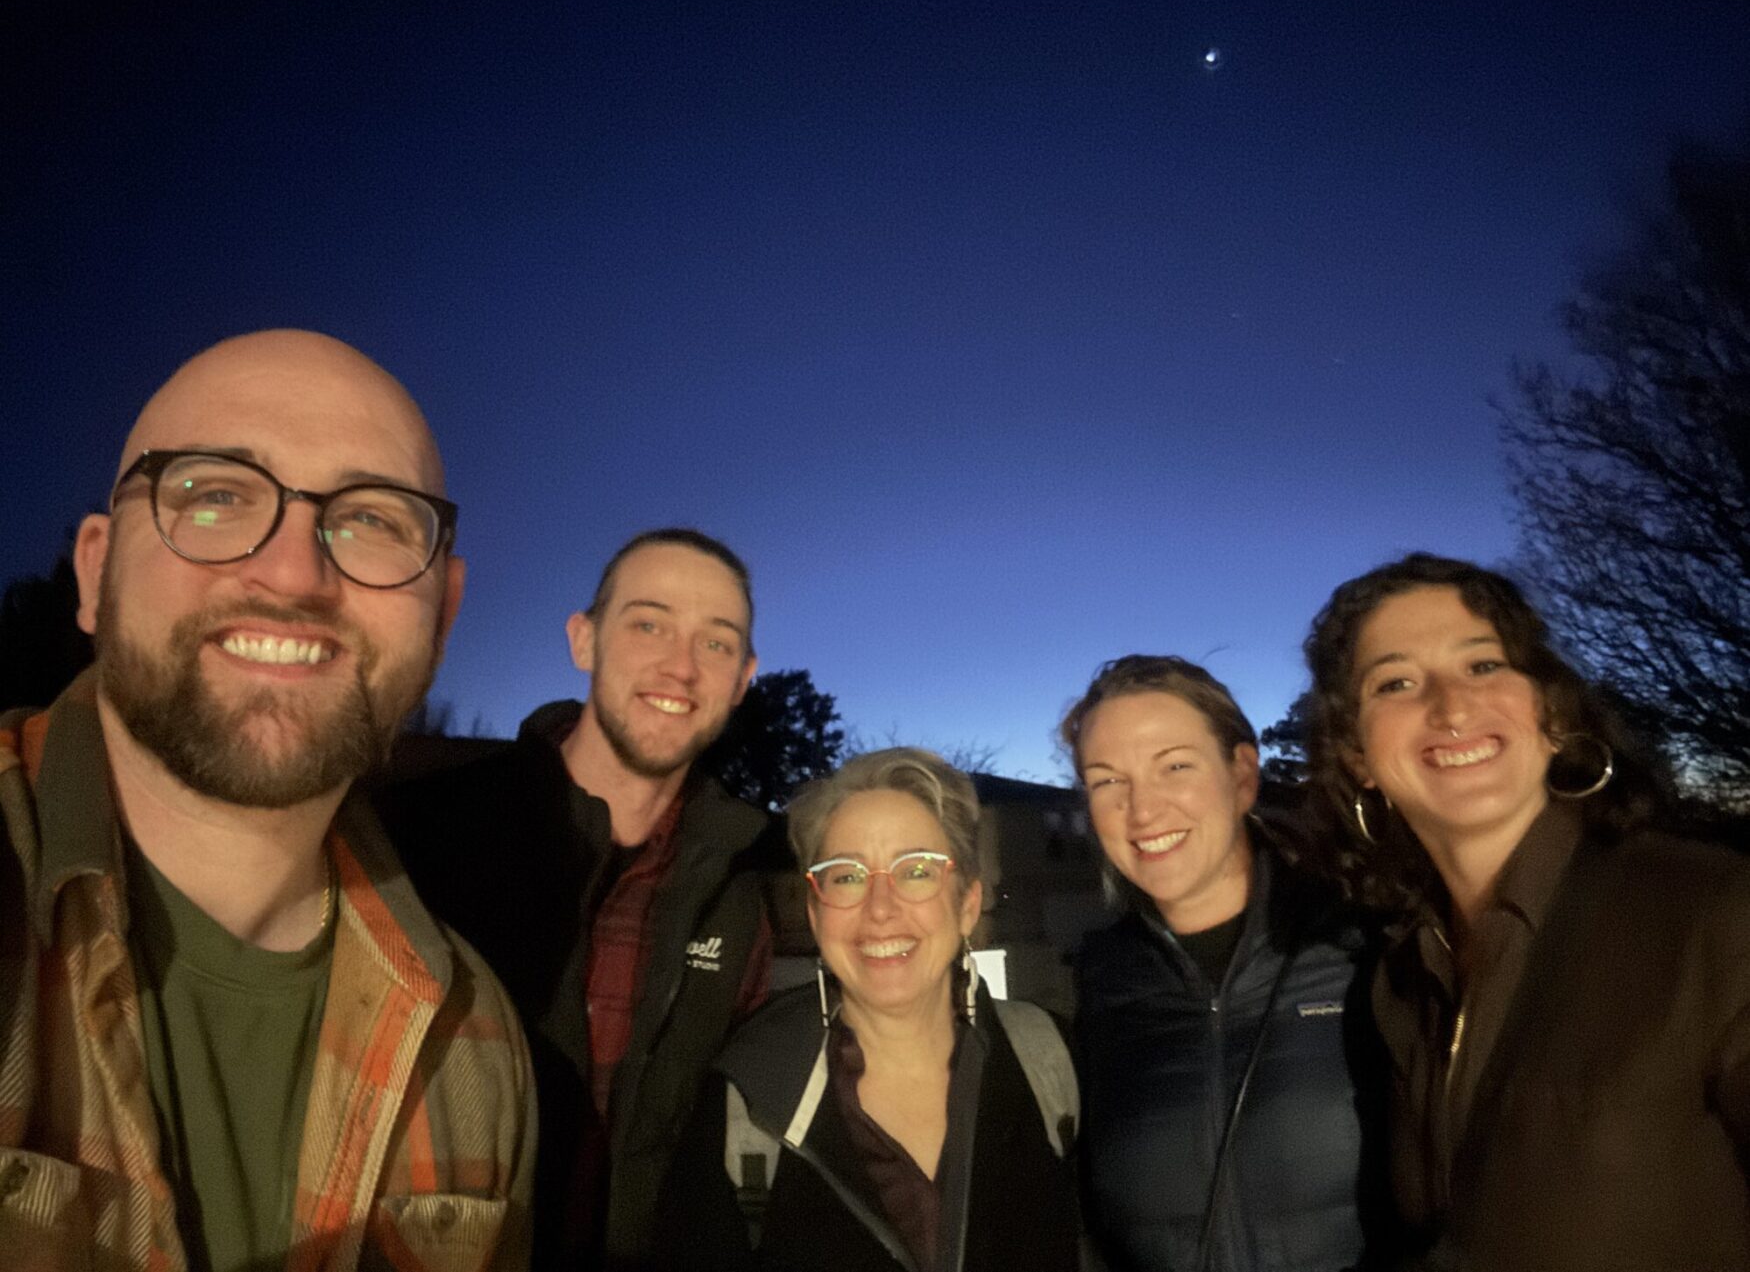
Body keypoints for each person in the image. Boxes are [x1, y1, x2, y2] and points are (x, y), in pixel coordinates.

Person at [0, 330, 535, 1269]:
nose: (293, 574)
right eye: (215, 495)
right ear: (94, 570)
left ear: (444, 613)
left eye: (372, 519)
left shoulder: (476, 1042)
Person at [1300, 552, 1750, 1270]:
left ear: (1553, 711)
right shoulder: (1404, 975)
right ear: (1357, 755)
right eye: (1396, 682)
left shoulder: (1710, 910)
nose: (1451, 707)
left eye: (1483, 665)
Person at [378, 528, 779, 1268]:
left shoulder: (737, 897)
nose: (682, 665)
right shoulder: (419, 842)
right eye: (649, 624)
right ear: (584, 640)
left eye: (717, 642)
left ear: (743, 678)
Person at [655, 748, 1083, 1271]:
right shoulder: (742, 1105)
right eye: (847, 876)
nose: (880, 908)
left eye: (917, 870)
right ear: (816, 914)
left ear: (968, 905)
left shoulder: (1056, 1067)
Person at [1063, 655, 1393, 1272]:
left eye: (1175, 766)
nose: (1142, 810)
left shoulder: (1362, 942)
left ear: (1242, 775)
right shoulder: (1096, 982)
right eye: (1107, 781)